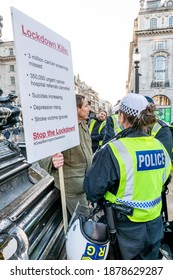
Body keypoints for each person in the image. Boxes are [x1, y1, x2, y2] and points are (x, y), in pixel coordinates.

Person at [83, 93, 172, 260]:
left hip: (124, 231)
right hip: (154, 226)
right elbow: (165, 179)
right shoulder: (159, 146)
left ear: (122, 116)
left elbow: (92, 191)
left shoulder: (114, 150)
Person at [39, 94, 93, 217]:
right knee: (83, 222)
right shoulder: (60, 127)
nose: (88, 108)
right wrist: (52, 161)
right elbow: (41, 153)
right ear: (76, 109)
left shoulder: (83, 124)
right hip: (72, 187)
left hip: (86, 182)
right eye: (85, 106)